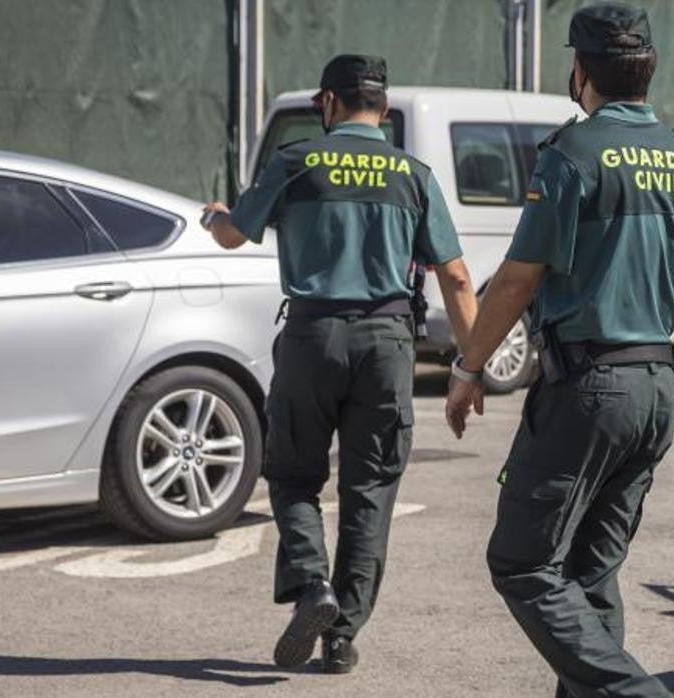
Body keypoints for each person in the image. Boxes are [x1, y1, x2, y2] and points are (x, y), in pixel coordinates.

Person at [444, 3, 674, 696]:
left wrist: (468, 367)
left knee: (522, 563)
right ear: (648, 70)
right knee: (589, 573)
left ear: (581, 70)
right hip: (657, 389)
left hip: (588, 390)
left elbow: (519, 278)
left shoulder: (572, 155)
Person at [202, 54, 477, 675]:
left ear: (327, 103)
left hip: (310, 337)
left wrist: (215, 213)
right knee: (370, 491)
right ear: (382, 106)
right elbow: (456, 277)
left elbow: (233, 235)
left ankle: (311, 588)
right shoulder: (413, 175)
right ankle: (343, 634)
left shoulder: (297, 161)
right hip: (387, 343)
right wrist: (471, 365)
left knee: (295, 475)